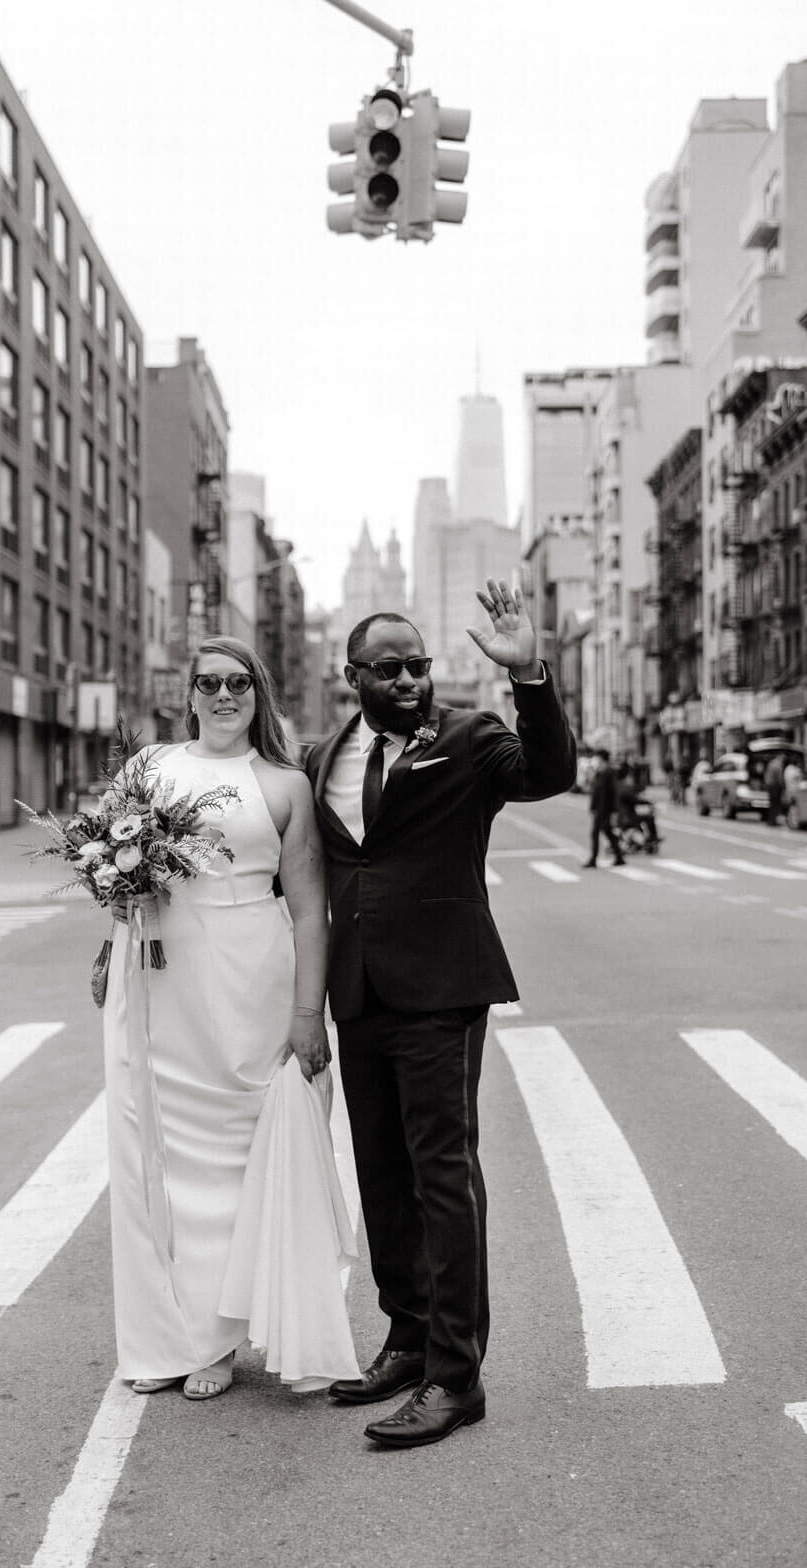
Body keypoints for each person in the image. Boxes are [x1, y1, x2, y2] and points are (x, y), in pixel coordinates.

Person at [306, 580, 577, 1449]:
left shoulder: (467, 739)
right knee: (382, 1175)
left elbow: (549, 772)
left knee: (443, 1178)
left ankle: (457, 1378)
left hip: (439, 991)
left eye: (418, 665)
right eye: (388, 669)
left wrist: (528, 672)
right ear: (353, 675)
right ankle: (407, 1339)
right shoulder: (324, 756)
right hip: (360, 994)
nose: (410, 680)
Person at [101, 637, 355, 1401]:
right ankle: (172, 1339)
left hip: (252, 982)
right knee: (153, 1157)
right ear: (188, 693)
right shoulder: (148, 769)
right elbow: (114, 868)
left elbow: (312, 910)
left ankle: (224, 1334)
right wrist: (111, 911)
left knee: (241, 1158)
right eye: (207, 682)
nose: (222, 694)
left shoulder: (283, 785)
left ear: (258, 691)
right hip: (154, 978)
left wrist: (309, 1015)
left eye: (237, 682)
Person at [584, 748, 625, 868]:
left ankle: (593, 860)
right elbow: (595, 792)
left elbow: (612, 793)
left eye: (597, 758)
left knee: (595, 834)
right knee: (608, 833)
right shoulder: (600, 772)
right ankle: (619, 857)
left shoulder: (608, 773)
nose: (594, 760)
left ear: (602, 759)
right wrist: (592, 807)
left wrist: (614, 811)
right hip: (599, 809)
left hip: (604, 810)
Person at [763, 752, 785, 826]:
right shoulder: (778, 765)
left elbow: (766, 774)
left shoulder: (771, 763)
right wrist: (782, 785)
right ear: (780, 757)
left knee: (771, 803)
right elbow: (779, 778)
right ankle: (773, 821)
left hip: (769, 785)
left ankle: (770, 820)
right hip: (774, 786)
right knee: (775, 804)